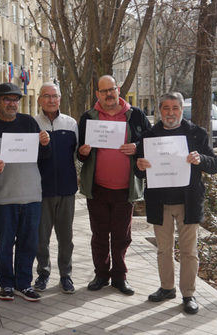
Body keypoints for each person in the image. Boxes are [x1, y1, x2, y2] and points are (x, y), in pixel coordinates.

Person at [135, 92, 217, 314]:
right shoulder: (149, 135)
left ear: (181, 110)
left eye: (175, 108)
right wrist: (140, 165)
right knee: (163, 250)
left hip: (188, 201)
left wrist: (201, 160)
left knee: (189, 251)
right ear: (159, 110)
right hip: (159, 201)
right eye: (166, 108)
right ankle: (167, 288)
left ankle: (189, 294)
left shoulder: (196, 133)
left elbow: (215, 165)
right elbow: (138, 169)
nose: (170, 113)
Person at [78, 75, 151, 296]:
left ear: (118, 90)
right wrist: (82, 152)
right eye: (103, 91)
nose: (108, 94)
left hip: (125, 188)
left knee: (121, 236)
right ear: (97, 94)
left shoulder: (135, 115)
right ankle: (101, 274)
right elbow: (80, 151)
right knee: (99, 234)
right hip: (97, 187)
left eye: (111, 89)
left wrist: (136, 147)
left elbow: (150, 141)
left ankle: (120, 277)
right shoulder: (89, 117)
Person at [0, 83, 50, 302]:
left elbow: (43, 157)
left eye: (15, 100)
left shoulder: (28, 122)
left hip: (31, 195)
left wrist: (45, 143)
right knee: (5, 244)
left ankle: (23, 284)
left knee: (29, 243)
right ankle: (6, 284)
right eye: (7, 99)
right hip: (3, 197)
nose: (12, 103)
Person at [34, 83, 78, 294]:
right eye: (47, 96)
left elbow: (79, 155)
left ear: (60, 99)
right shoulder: (32, 124)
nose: (51, 100)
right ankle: (43, 273)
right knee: (41, 238)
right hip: (41, 190)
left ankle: (65, 275)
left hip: (67, 190)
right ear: (40, 100)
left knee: (66, 237)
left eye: (55, 96)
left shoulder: (71, 123)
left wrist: (85, 152)